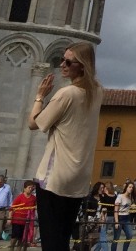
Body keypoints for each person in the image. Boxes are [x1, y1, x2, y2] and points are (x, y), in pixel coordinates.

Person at [28, 43, 103, 251]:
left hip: (55, 178)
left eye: (68, 62)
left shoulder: (66, 94)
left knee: (52, 242)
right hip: (78, 179)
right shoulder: (98, 92)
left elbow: (34, 123)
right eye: (63, 59)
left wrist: (40, 96)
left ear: (82, 66)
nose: (62, 64)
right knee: (62, 239)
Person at [9, 182, 37, 251]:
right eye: (29, 187)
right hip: (17, 220)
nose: (30, 189)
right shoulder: (20, 197)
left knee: (22, 238)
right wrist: (9, 219)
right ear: (24, 189)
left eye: (32, 187)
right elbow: (12, 208)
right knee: (14, 238)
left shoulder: (34, 198)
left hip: (27, 222)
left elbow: (36, 207)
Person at [110, 183, 136, 251]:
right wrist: (116, 222)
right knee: (116, 238)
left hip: (127, 218)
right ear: (126, 188)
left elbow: (127, 208)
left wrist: (133, 208)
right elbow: (116, 210)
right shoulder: (120, 196)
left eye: (132, 187)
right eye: (130, 187)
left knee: (130, 235)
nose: (131, 189)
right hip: (119, 217)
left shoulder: (130, 198)